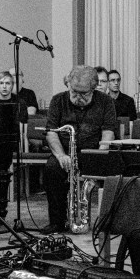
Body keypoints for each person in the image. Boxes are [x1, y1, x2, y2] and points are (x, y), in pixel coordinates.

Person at [43, 66, 117, 234]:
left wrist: (99, 155)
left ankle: (107, 222)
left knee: (114, 172)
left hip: (93, 153)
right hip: (64, 152)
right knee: (51, 169)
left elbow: (108, 132)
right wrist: (61, 155)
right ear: (69, 85)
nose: (78, 97)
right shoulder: (58, 100)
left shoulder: (106, 101)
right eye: (74, 92)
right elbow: (51, 132)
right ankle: (56, 222)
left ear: (94, 88)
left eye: (84, 94)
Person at [0, 71, 28, 217]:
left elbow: (21, 126)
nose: (4, 86)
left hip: (12, 141)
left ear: (12, 85)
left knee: (1, 153)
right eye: (1, 83)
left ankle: (0, 196)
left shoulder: (19, 103)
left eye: (7, 83)